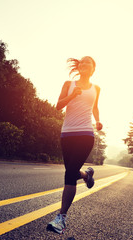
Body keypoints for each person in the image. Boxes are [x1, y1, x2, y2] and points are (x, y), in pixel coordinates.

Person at [47, 56, 103, 234]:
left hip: (86, 134)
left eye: (89, 62)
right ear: (79, 67)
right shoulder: (68, 84)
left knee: (69, 174)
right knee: (71, 171)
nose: (85, 64)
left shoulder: (96, 88)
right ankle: (87, 175)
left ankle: (61, 219)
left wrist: (98, 120)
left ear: (93, 69)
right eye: (82, 62)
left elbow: (95, 107)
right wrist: (72, 95)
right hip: (67, 134)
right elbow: (58, 106)